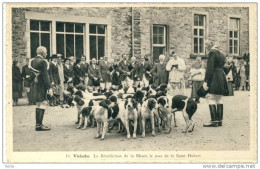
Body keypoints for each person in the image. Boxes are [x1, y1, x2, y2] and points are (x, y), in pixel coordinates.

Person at [203, 40, 227, 127]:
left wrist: (206, 82)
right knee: (219, 99)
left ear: (211, 44)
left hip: (214, 78)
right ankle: (219, 120)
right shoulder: (221, 53)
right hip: (220, 78)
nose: (205, 46)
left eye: (206, 44)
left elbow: (209, 69)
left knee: (211, 98)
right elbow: (226, 67)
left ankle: (214, 121)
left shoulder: (212, 53)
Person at [29, 46, 53, 131]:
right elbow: (45, 76)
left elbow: (30, 74)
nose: (46, 54)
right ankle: (39, 125)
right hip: (41, 86)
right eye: (46, 52)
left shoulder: (32, 61)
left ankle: (38, 124)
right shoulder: (43, 62)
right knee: (43, 103)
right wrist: (49, 88)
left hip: (35, 85)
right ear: (42, 53)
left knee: (39, 104)